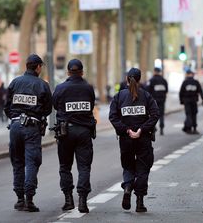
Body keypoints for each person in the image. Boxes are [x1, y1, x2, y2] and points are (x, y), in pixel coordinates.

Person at [4, 54, 52, 212]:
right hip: (32, 128)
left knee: (18, 162)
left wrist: (15, 117)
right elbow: (48, 109)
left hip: (15, 126)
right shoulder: (42, 85)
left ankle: (19, 199)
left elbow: (7, 106)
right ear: (38, 67)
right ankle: (29, 199)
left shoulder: (15, 82)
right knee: (32, 162)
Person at [109, 68, 160, 212]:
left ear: (127, 79)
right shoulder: (146, 96)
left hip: (125, 139)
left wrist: (126, 130)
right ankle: (139, 202)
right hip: (143, 139)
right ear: (139, 79)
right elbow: (155, 114)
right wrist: (141, 130)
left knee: (128, 167)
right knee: (143, 169)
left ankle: (127, 187)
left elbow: (113, 117)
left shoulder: (119, 96)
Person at [52, 59, 97, 213]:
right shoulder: (88, 88)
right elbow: (91, 105)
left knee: (65, 167)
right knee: (84, 167)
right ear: (82, 72)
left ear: (68, 72)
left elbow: (55, 105)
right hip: (84, 132)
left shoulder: (60, 88)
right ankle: (83, 201)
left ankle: (68, 200)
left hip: (66, 132)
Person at [179, 69, 203, 134]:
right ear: (192, 74)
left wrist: (181, 101)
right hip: (194, 101)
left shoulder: (185, 82)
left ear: (187, 74)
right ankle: (194, 128)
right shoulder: (196, 82)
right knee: (194, 114)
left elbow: (181, 92)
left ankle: (188, 128)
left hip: (186, 101)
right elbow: (200, 91)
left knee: (188, 114)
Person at [147, 67, 168, 135]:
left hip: (153, 101)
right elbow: (166, 90)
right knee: (161, 114)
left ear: (154, 71)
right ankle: (162, 128)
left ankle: (154, 127)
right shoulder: (164, 80)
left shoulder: (151, 80)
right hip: (162, 100)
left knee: (153, 114)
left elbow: (148, 90)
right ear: (159, 72)